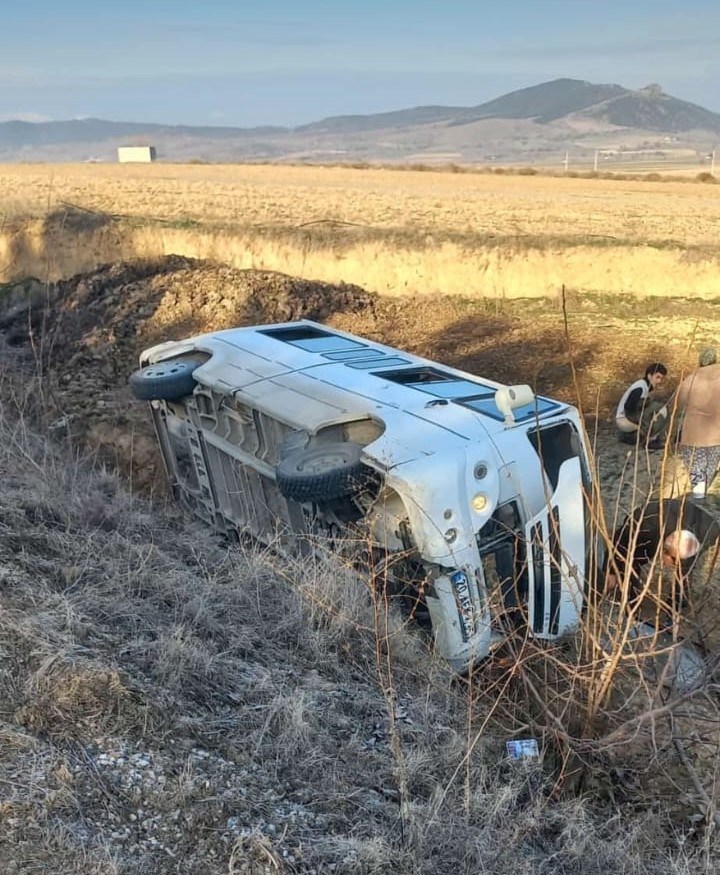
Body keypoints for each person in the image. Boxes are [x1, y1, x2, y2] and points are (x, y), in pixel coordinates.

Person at [605, 497, 720, 625]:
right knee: (632, 561)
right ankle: (630, 602)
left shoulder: (710, 531)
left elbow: (685, 568)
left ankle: (676, 608)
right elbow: (618, 540)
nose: (674, 564)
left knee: (684, 573)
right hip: (654, 522)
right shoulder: (643, 525)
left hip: (688, 526)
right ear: (664, 551)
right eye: (673, 559)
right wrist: (610, 570)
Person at [671, 350, 720, 498]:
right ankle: (702, 498)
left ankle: (698, 501)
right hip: (716, 435)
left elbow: (676, 405)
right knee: (710, 470)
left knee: (697, 473)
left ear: (699, 361)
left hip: (693, 436)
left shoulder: (690, 380)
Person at [615, 362, 668, 449]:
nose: (659, 381)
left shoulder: (643, 386)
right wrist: (644, 420)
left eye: (661, 378)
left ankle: (630, 437)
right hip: (625, 418)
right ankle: (651, 440)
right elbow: (629, 407)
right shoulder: (640, 388)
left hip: (624, 418)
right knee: (661, 409)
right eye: (657, 377)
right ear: (649, 375)